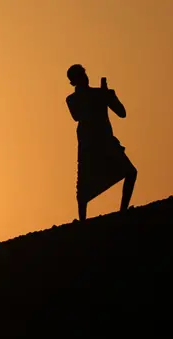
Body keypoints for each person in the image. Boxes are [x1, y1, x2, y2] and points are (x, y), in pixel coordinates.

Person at [65, 64, 137, 221]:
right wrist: (100, 97)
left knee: (131, 172)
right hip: (89, 146)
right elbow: (77, 115)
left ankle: (122, 211)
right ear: (73, 82)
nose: (84, 78)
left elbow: (122, 113)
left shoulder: (101, 94)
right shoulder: (72, 99)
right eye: (79, 76)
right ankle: (82, 221)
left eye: (84, 74)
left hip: (106, 141)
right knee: (83, 190)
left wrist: (110, 97)